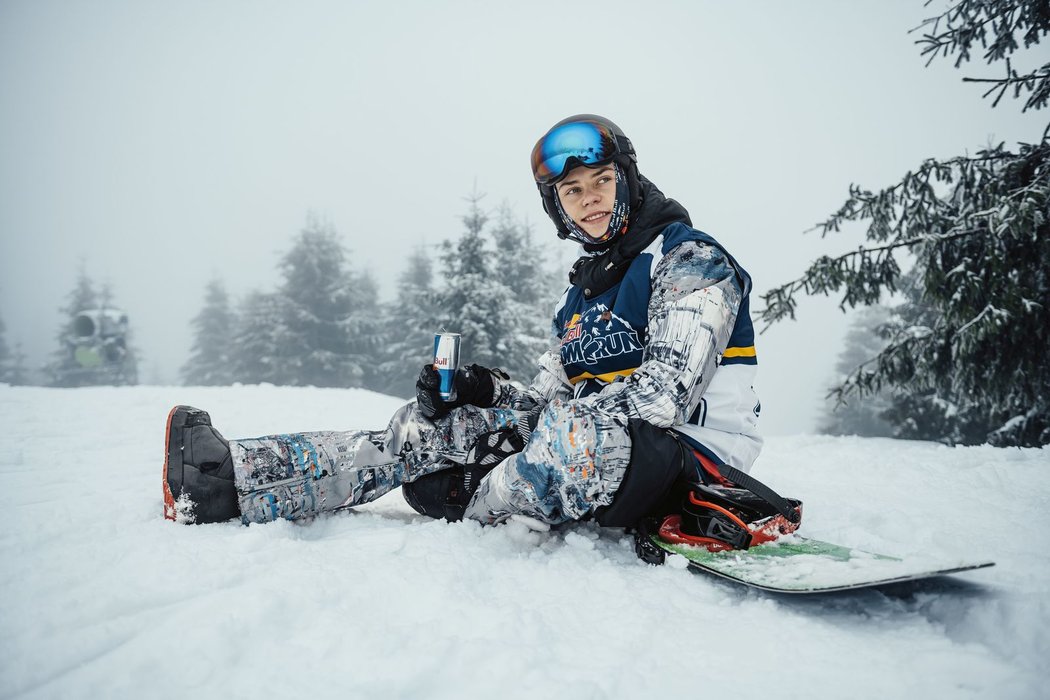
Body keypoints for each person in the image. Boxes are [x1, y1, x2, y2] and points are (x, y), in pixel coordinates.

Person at [163, 114, 763, 536]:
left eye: (602, 182)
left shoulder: (690, 259)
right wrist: (480, 394)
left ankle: (481, 496)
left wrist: (508, 445)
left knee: (568, 439)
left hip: (692, 457)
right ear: (558, 208)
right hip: (591, 446)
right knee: (421, 428)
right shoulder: (578, 299)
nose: (590, 200)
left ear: (627, 180)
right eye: (571, 191)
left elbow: (665, 395)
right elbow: (548, 399)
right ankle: (225, 483)